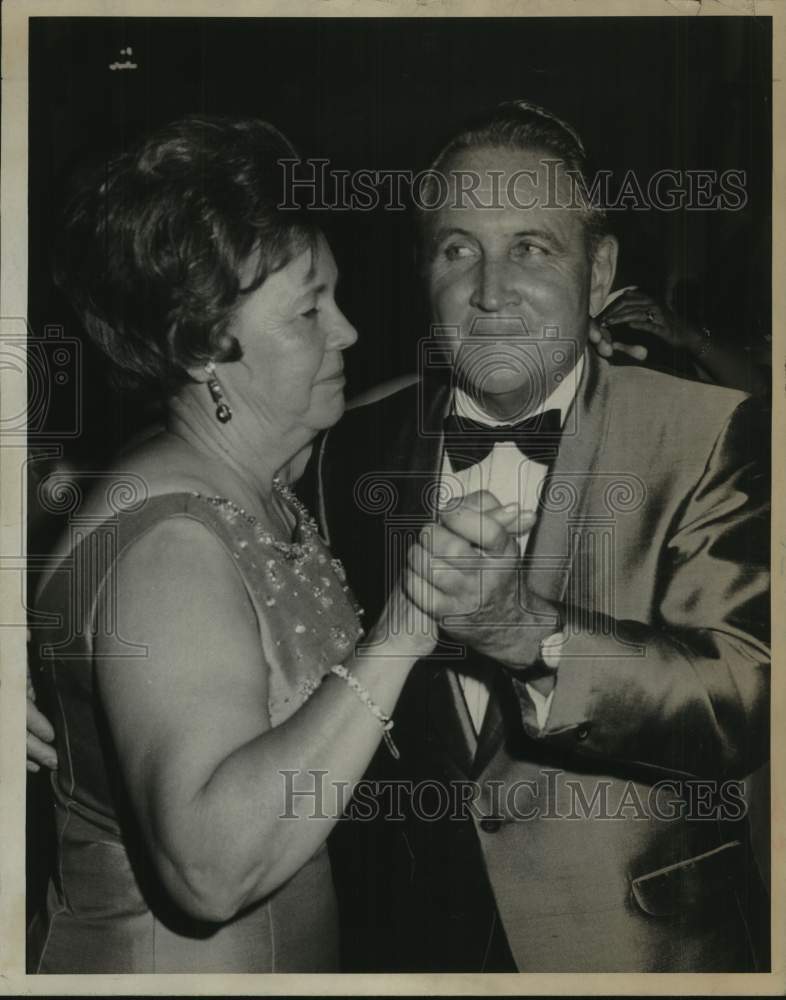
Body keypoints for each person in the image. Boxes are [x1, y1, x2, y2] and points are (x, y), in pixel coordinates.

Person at [312, 101, 770, 972]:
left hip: (647, 950)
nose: (489, 291)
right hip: (425, 946)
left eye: (531, 248)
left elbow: (748, 702)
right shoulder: (350, 447)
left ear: (599, 277)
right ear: (424, 271)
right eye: (458, 250)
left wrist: (532, 636)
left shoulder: (711, 431)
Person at [25, 114, 442, 973]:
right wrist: (406, 629)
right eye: (310, 310)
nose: (349, 332)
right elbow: (209, 870)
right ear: (203, 348)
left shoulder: (251, 474)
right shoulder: (170, 550)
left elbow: (375, 411)